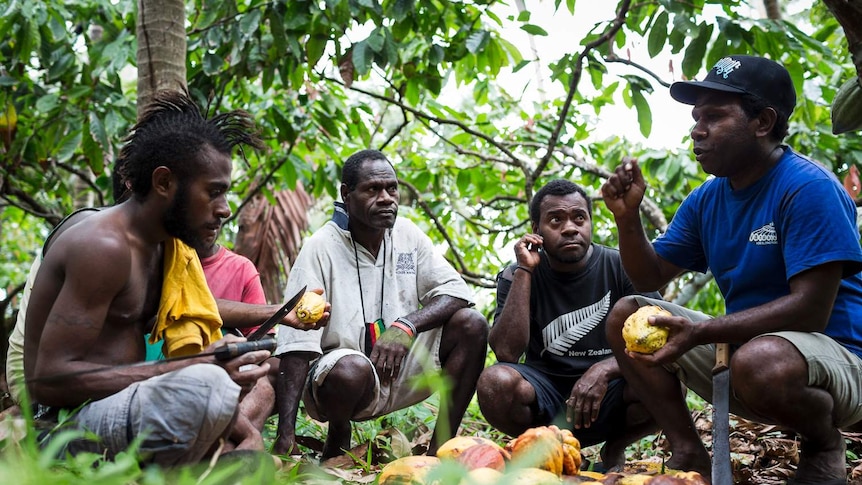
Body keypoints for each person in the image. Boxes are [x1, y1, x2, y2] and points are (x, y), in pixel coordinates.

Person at [601, 54, 862, 483]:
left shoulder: (808, 188)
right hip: (752, 354)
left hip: (840, 362)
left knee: (761, 361)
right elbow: (648, 277)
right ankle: (688, 450)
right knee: (627, 313)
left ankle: (824, 445)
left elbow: (811, 311)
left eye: (714, 117)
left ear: (762, 122)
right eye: (696, 117)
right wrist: (627, 219)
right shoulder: (708, 199)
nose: (697, 130)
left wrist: (704, 332)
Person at [22, 89, 313, 466]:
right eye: (213, 192)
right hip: (59, 427)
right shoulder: (103, 245)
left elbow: (204, 316)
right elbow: (48, 381)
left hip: (119, 413)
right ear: (163, 183)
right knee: (206, 385)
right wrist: (194, 366)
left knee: (239, 416)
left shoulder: (166, 250)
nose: (224, 209)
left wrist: (247, 431)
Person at [272, 149, 489, 458]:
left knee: (472, 323)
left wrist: (406, 325)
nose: (387, 198)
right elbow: (296, 343)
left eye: (392, 188)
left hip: (402, 369)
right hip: (343, 380)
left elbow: (456, 290)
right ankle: (339, 433)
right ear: (347, 195)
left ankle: (439, 449)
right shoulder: (320, 247)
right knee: (350, 369)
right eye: (373, 189)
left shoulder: (408, 235)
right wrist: (286, 434)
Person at [475, 179, 659, 471]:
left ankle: (615, 447)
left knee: (666, 376)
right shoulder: (516, 274)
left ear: (590, 223)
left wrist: (604, 369)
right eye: (555, 220)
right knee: (494, 383)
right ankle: (544, 448)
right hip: (544, 393)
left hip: (610, 392)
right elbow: (507, 353)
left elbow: (660, 333)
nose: (570, 228)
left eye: (579, 218)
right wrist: (525, 271)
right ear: (536, 230)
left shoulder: (622, 265)